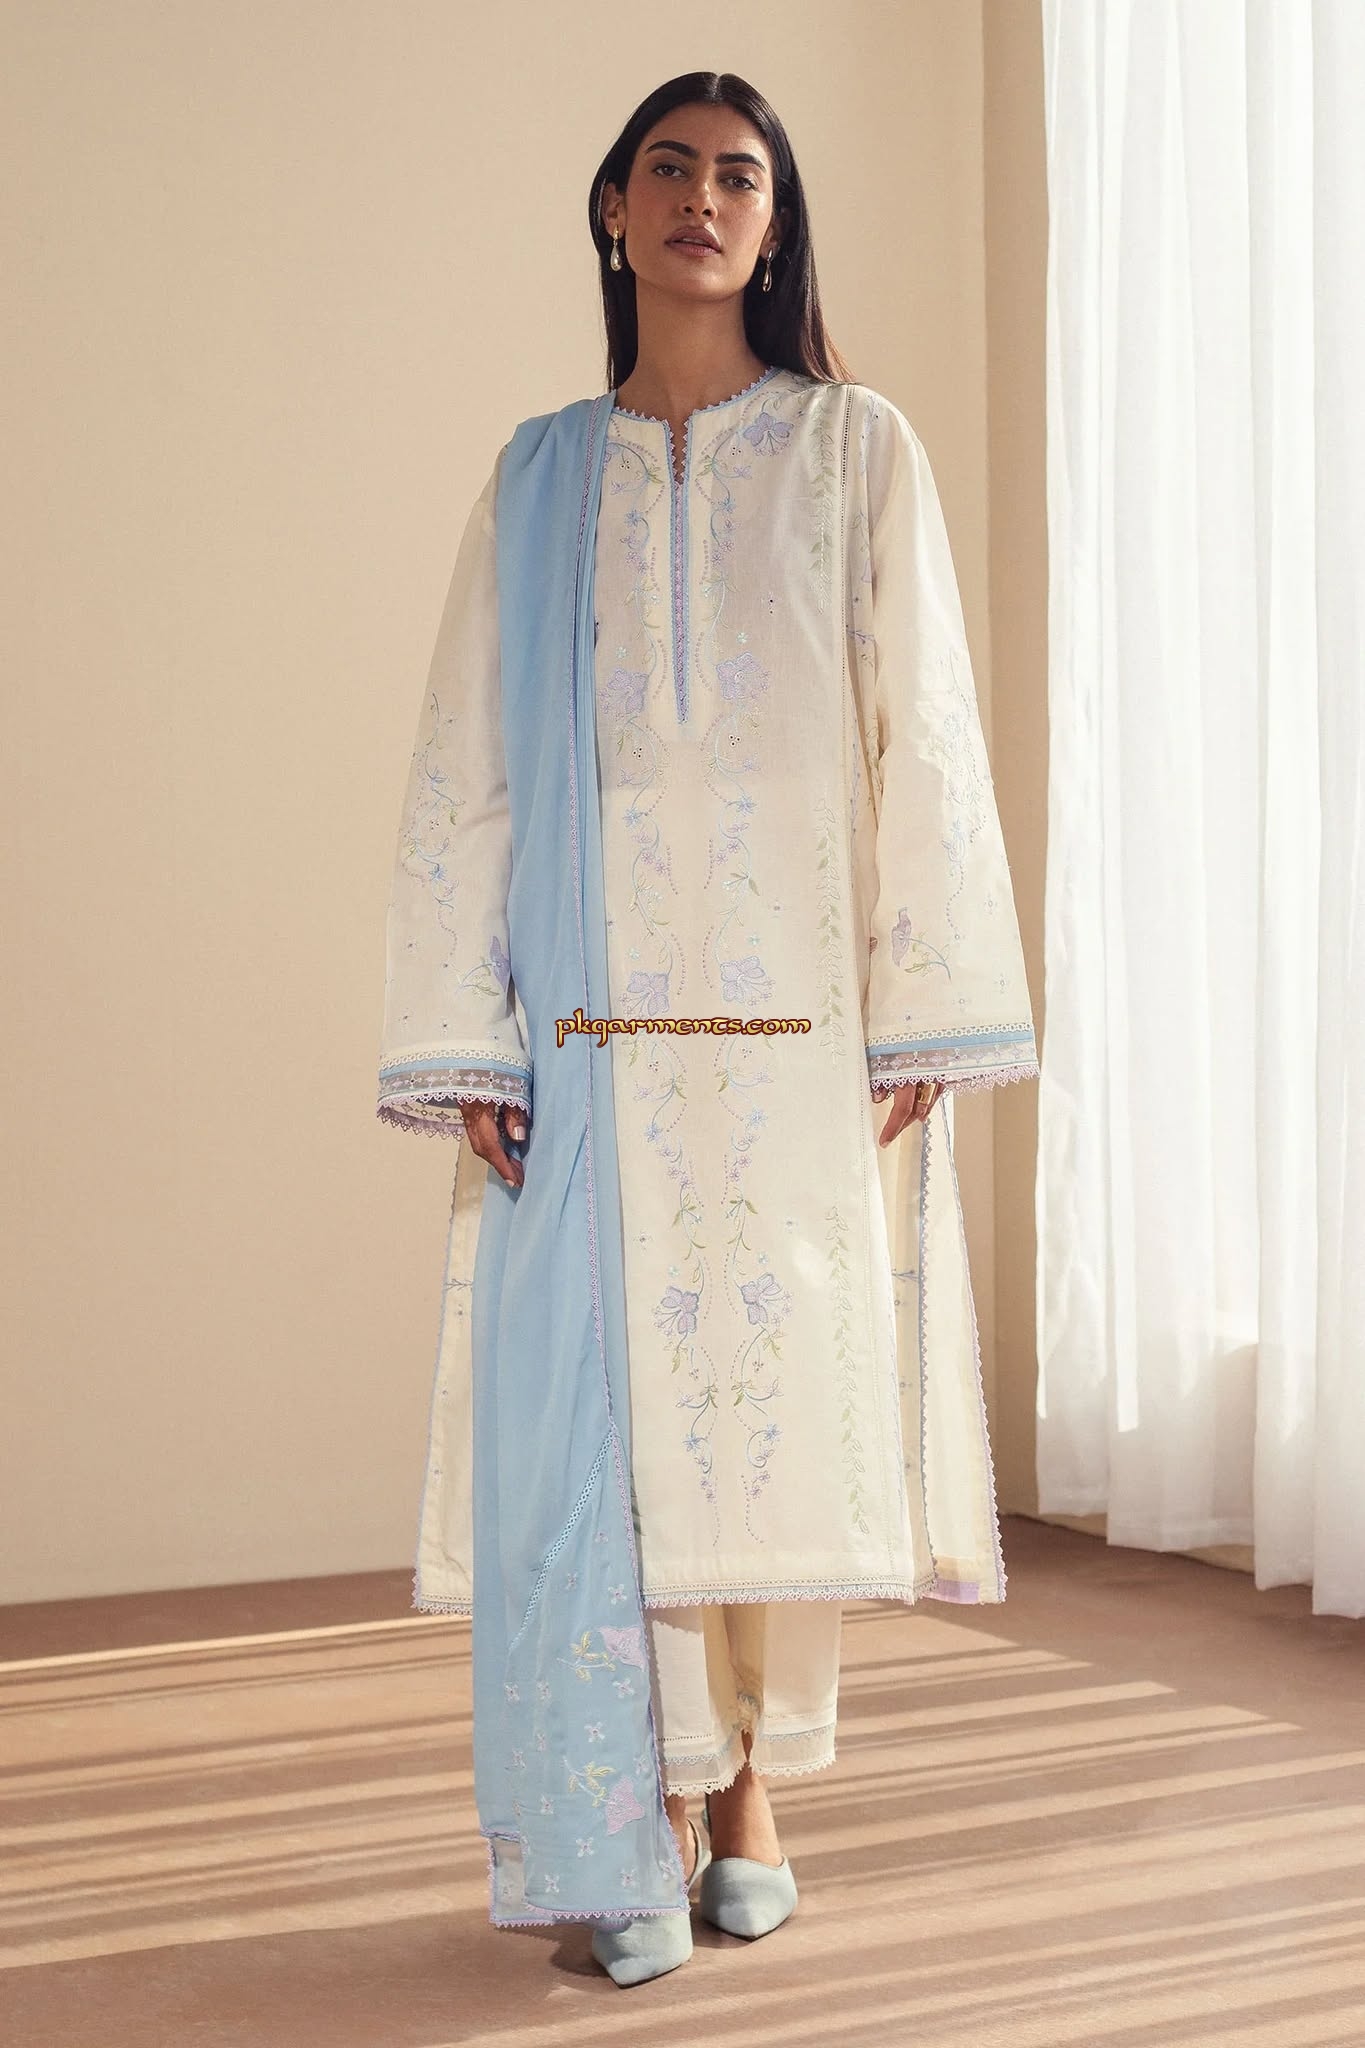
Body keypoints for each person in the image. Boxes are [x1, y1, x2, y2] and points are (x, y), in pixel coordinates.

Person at [377, 71, 1038, 1988]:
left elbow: (928, 729)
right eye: (666, 167)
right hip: (596, 1032)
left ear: (772, 224)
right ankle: (643, 1814)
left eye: (738, 176)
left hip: (796, 1016)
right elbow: (465, 766)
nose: (700, 198)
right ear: (611, 208)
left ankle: (751, 1794)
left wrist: (923, 1007)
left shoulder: (850, 450)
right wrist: (470, 1035)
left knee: (762, 1406)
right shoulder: (536, 478)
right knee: (626, 1424)